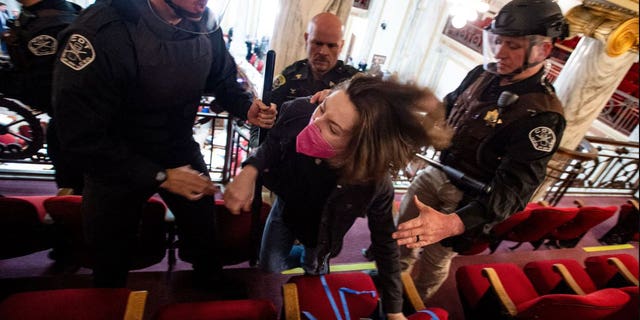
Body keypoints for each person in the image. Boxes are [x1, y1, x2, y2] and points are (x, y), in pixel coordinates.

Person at [51, 0, 277, 288]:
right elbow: (78, 136)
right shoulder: (101, 31)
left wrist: (246, 108)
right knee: (110, 262)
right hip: (114, 160)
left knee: (206, 242)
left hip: (176, 146)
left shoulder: (201, 19)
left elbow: (221, 78)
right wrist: (161, 176)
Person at [224, 75, 453, 319]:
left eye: (333, 128)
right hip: (287, 207)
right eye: (322, 108)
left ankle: (308, 258)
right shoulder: (299, 110)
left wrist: (394, 310)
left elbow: (386, 245)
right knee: (268, 263)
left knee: (313, 273)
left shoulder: (374, 185)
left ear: (359, 148)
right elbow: (272, 146)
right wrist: (249, 171)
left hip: (323, 234)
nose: (314, 123)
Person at [391, 0, 568, 302]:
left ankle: (411, 302)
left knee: (435, 259)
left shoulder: (543, 115)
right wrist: (412, 140)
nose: (500, 52)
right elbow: (448, 108)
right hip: (438, 172)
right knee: (402, 234)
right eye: (498, 41)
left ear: (543, 50)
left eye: (512, 46)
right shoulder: (480, 74)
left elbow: (513, 192)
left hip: (467, 199)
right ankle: (391, 277)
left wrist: (451, 224)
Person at [0, 0, 81, 195]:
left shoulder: (51, 23)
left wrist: (6, 81)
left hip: (74, 120)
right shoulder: (50, 14)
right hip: (67, 119)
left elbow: (46, 85)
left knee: (77, 183)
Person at [250, 12, 358, 147]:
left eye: (331, 46)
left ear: (341, 46)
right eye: (317, 43)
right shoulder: (291, 75)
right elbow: (261, 118)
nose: (323, 52)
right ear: (307, 39)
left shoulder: (354, 83)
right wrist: (258, 149)